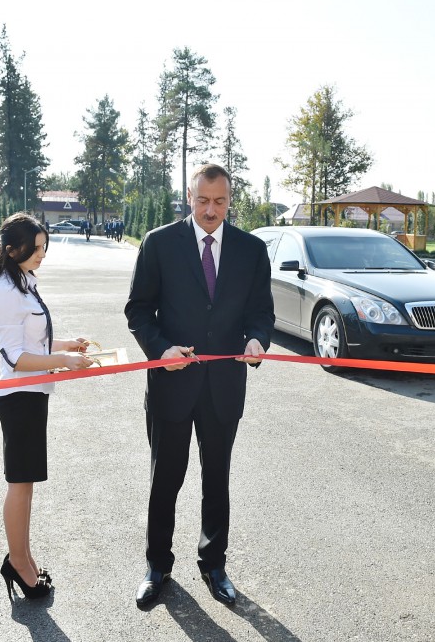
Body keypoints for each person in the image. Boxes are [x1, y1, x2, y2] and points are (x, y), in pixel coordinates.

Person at [124, 163, 274, 607]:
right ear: (190, 197)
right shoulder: (159, 244)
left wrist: (257, 340)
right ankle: (157, 565)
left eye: (221, 202)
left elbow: (261, 313)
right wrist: (160, 349)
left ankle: (214, 564)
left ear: (230, 200)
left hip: (224, 387)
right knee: (165, 479)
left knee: (217, 480)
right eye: (204, 201)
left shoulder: (251, 250)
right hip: (172, 384)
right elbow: (138, 310)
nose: (212, 211)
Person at [0, 212, 95, 600]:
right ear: (13, 251)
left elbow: (35, 342)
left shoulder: (24, 283)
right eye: (37, 249)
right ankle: (18, 564)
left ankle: (23, 560)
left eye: (44, 248)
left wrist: (67, 346)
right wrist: (64, 362)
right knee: (19, 484)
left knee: (26, 484)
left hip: (33, 395)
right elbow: (16, 358)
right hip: (18, 397)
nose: (43, 255)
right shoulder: (3, 292)